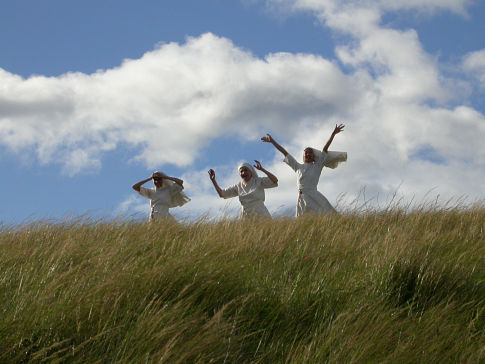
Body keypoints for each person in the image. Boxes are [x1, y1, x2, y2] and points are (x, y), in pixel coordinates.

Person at [261, 124, 347, 217]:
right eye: (306, 153)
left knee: (325, 215)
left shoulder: (317, 165)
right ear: (303, 156)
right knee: (302, 221)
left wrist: (333, 134)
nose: (308, 154)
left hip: (314, 196)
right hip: (302, 198)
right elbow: (284, 152)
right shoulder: (298, 167)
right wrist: (272, 141)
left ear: (314, 156)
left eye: (310, 153)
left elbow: (325, 149)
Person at [208, 160, 278, 218]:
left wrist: (262, 169)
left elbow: (274, 180)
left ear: (251, 172)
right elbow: (222, 194)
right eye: (241, 171)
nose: (243, 173)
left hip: (261, 215)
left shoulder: (258, 181)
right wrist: (213, 180)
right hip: (246, 217)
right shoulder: (238, 186)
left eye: (246, 170)